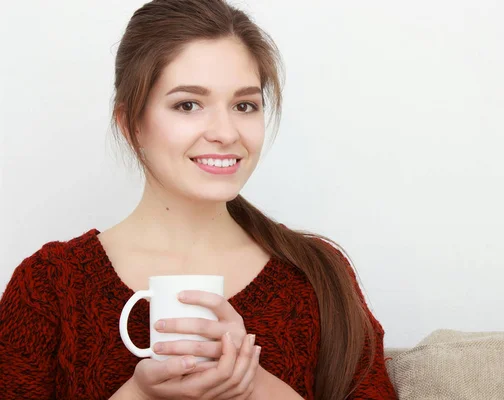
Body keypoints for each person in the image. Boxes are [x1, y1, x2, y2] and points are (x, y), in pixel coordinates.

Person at [0, 0, 397, 399]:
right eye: (188, 105)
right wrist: (138, 396)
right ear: (130, 124)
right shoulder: (50, 287)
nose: (225, 132)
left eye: (244, 105)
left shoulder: (316, 275)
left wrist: (253, 384)